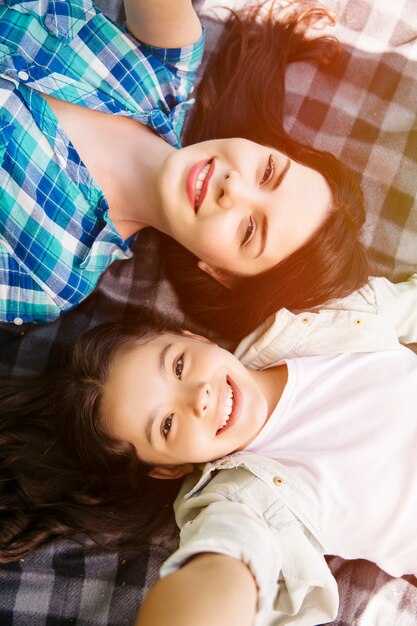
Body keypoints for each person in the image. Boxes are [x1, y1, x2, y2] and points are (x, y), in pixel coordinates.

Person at [1, 274, 417, 624]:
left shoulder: (326, 318)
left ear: (192, 336)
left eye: (179, 365)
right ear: (167, 468)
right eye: (166, 425)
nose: (198, 397)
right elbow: (224, 563)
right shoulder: (240, 499)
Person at [0, 0, 368, 332]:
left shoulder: (52, 280)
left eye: (249, 230)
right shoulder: (168, 61)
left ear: (220, 273)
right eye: (268, 172)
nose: (233, 188)